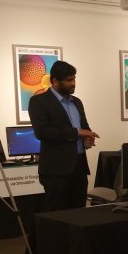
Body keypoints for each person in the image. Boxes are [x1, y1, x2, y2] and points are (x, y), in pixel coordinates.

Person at [28, 60, 99, 211]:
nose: (73, 83)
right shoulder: (39, 101)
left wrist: (87, 138)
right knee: (57, 217)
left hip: (79, 168)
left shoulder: (77, 102)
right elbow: (42, 132)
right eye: (69, 80)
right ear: (55, 82)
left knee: (79, 215)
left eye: (74, 79)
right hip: (56, 171)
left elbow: (84, 127)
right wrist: (77, 133)